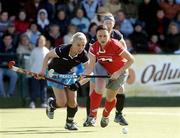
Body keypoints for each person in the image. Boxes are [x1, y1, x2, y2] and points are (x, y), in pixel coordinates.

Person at [83, 25, 134, 128]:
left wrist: (118, 72)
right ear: (96, 36)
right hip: (102, 67)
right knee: (99, 88)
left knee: (110, 98)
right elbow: (91, 66)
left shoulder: (115, 45)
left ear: (109, 36)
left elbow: (131, 59)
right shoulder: (93, 47)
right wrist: (84, 75)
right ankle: (92, 116)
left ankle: (105, 116)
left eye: (105, 36)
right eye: (100, 36)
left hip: (120, 71)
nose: (102, 38)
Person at [40, 32, 89, 130]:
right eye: (78, 45)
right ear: (72, 43)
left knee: (73, 102)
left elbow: (89, 73)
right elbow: (48, 56)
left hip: (68, 75)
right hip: (54, 74)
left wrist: (78, 84)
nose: (81, 48)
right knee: (62, 102)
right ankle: (51, 104)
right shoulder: (62, 49)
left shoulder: (83, 55)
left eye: (83, 45)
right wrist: (43, 71)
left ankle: (69, 123)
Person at [29, 35, 49, 108]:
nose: (41, 42)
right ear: (37, 42)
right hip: (35, 73)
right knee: (34, 88)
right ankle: (32, 102)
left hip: (44, 74)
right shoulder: (34, 50)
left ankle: (43, 102)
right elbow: (31, 61)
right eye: (39, 41)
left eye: (42, 41)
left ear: (44, 42)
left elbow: (48, 62)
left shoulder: (47, 50)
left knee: (43, 88)